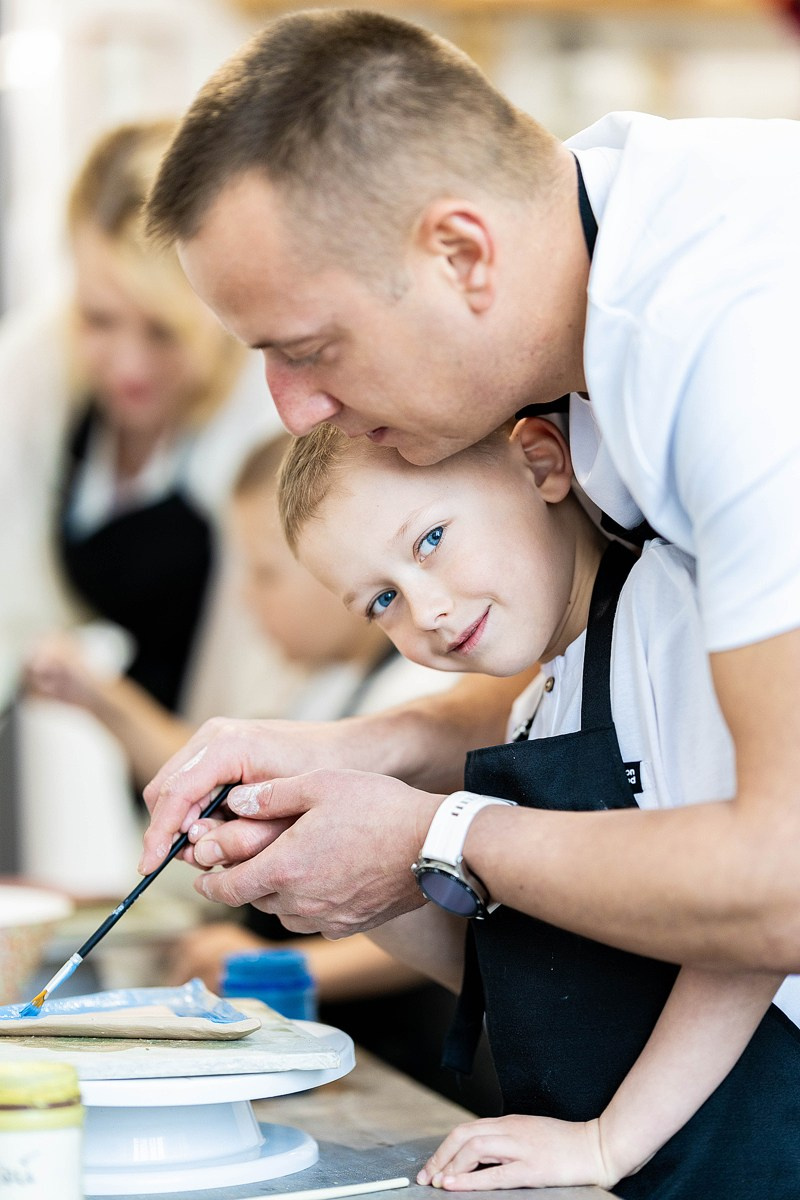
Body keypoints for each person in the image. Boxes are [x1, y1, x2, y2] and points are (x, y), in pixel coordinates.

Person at [140, 8, 800, 985]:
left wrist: (439, 833)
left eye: (308, 349)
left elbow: (780, 879)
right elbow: (642, 683)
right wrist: (366, 748)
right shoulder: (571, 257)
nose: (292, 411)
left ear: (459, 255)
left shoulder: (734, 344)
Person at [269, 416, 799, 1198]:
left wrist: (608, 1144)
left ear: (541, 463)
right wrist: (335, 874)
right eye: (383, 599)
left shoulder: (673, 619)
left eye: (430, 540)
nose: (428, 612)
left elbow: (751, 923)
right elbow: (537, 976)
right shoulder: (535, 712)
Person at [27, 430, 496, 1108]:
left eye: (264, 573)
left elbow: (435, 902)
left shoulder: (423, 699)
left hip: (413, 1054)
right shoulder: (325, 693)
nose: (246, 602)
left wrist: (276, 965)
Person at [1, 119, 284, 739]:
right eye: (99, 319)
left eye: (163, 330)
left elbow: (259, 721)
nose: (128, 366)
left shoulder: (266, 425)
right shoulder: (37, 366)